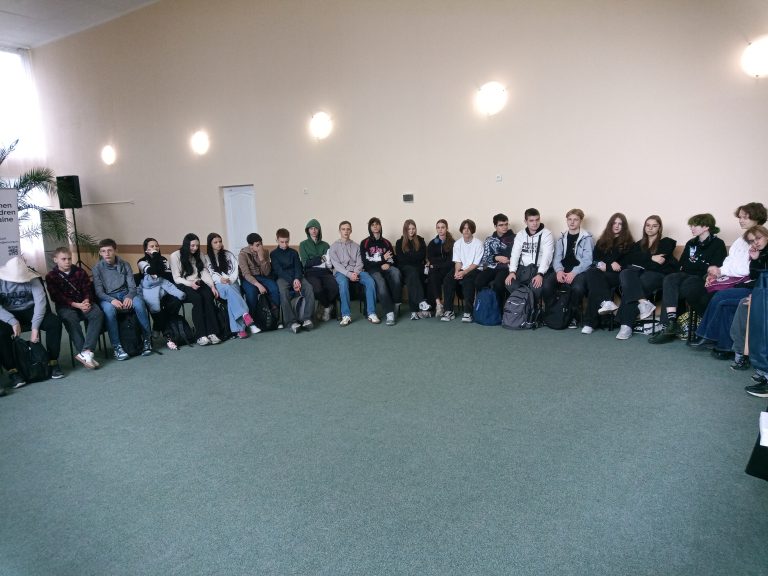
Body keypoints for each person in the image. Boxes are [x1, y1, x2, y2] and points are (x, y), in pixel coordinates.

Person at [690, 203, 768, 353]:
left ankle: (708, 336)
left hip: (746, 283)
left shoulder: (761, 241)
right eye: (740, 217)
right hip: (736, 280)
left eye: (745, 217)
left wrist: (728, 271)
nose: (741, 220)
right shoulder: (741, 240)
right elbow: (730, 261)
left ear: (757, 217)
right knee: (698, 291)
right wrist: (718, 272)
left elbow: (746, 271)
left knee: (719, 296)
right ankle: (710, 337)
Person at [648, 213, 727, 344]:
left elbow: (716, 267)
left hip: (702, 278)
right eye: (691, 225)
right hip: (686, 274)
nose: (692, 228)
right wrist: (696, 265)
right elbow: (682, 264)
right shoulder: (691, 243)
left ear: (706, 227)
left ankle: (668, 326)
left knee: (685, 284)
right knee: (670, 278)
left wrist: (698, 265)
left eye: (695, 225)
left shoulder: (717, 243)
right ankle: (671, 324)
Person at [0, 256, 65, 387]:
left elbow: (40, 303)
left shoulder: (33, 278)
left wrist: (35, 327)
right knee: (1, 332)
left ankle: (52, 362)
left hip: (31, 310)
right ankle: (13, 371)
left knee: (54, 323)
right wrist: (12, 321)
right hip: (8, 313)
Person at [613, 215, 677, 340]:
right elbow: (630, 260)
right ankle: (643, 302)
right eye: (648, 225)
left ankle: (625, 325)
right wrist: (651, 258)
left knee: (634, 285)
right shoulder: (638, 244)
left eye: (654, 226)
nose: (650, 228)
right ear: (644, 227)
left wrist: (643, 260)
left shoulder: (667, 242)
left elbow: (658, 264)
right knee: (625, 273)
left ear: (659, 228)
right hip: (640, 274)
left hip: (658, 275)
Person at [92, 238, 153, 359]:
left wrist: (129, 296)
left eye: (109, 250)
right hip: (108, 297)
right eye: (103, 251)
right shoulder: (97, 268)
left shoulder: (125, 264)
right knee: (109, 311)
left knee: (140, 305)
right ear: (100, 253)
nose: (107, 253)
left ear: (115, 251)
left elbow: (132, 286)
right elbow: (99, 292)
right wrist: (112, 300)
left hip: (126, 293)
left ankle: (147, 339)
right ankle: (117, 347)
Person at [46, 246, 103, 369]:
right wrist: (76, 305)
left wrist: (86, 301)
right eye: (63, 259)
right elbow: (57, 297)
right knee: (71, 319)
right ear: (55, 260)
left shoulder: (80, 271)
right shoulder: (51, 276)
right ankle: (85, 354)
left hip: (83, 303)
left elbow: (87, 289)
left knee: (96, 313)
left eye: (69, 259)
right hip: (66, 307)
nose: (67, 261)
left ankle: (86, 351)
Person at [580, 213, 633, 335]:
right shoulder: (602, 241)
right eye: (614, 223)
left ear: (624, 226)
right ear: (610, 224)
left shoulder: (629, 243)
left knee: (594, 282)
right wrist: (609, 264)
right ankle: (606, 302)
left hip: (617, 276)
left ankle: (590, 323)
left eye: (620, 224)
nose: (617, 226)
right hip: (600, 274)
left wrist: (607, 265)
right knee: (592, 273)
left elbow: (625, 265)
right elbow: (595, 260)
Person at [170, 233, 222, 346]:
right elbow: (176, 278)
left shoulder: (200, 254)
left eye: (197, 245)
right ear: (186, 245)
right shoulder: (175, 256)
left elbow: (203, 271)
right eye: (192, 245)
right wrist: (190, 284)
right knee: (197, 299)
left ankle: (212, 332)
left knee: (208, 296)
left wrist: (212, 286)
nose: (195, 248)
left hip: (198, 282)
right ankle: (200, 335)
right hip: (184, 284)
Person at [544, 208, 593, 327]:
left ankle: (573, 316)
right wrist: (559, 271)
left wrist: (574, 273)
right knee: (547, 286)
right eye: (569, 219)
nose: (572, 222)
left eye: (575, 219)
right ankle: (553, 313)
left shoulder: (587, 237)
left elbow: (588, 260)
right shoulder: (562, 238)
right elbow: (557, 258)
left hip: (579, 270)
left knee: (578, 288)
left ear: (580, 221)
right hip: (563, 269)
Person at [204, 233, 258, 339]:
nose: (219, 244)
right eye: (215, 242)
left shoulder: (228, 254)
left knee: (231, 298)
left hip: (232, 282)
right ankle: (244, 315)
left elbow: (235, 269)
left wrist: (230, 280)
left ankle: (239, 329)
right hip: (219, 285)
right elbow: (209, 272)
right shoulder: (206, 258)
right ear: (210, 244)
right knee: (230, 291)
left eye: (220, 241)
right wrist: (220, 279)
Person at [137, 238, 186, 349]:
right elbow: (152, 271)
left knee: (176, 300)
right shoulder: (141, 262)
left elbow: (168, 276)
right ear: (146, 249)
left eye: (157, 246)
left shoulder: (163, 259)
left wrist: (158, 270)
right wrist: (155, 257)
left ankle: (157, 326)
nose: (155, 248)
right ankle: (169, 335)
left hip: (164, 287)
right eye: (152, 246)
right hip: (150, 290)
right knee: (154, 305)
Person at [504, 208, 555, 313]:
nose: (535, 223)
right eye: (531, 220)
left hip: (540, 269)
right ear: (525, 221)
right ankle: (521, 310)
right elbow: (515, 254)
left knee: (536, 287)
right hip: (523, 269)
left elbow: (547, 256)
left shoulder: (547, 234)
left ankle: (532, 312)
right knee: (510, 283)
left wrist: (540, 274)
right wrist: (512, 271)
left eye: (537, 220)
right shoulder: (520, 235)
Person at [329, 220, 378, 326]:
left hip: (356, 271)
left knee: (370, 281)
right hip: (341, 272)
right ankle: (346, 315)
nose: (346, 231)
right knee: (343, 283)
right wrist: (349, 274)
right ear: (339, 231)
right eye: (343, 229)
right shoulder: (333, 246)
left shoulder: (356, 246)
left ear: (351, 231)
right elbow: (336, 265)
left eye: (348, 229)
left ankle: (371, 313)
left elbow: (360, 262)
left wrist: (355, 273)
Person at [270, 228, 316, 333]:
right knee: (283, 291)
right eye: (282, 242)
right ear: (277, 240)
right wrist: (293, 281)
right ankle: (291, 322)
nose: (284, 244)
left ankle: (307, 318)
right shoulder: (273, 254)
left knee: (309, 288)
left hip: (296, 277)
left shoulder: (294, 252)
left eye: (287, 241)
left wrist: (297, 279)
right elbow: (279, 271)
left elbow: (298, 267)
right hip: (283, 278)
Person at [361, 217, 402, 326]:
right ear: (370, 227)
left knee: (396, 272)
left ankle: (396, 303)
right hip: (373, 270)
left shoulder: (386, 242)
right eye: (372, 224)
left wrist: (388, 264)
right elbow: (366, 263)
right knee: (380, 281)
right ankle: (389, 313)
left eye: (377, 224)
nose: (375, 226)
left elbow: (393, 260)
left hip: (386, 267)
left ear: (380, 226)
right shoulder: (365, 243)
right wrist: (382, 259)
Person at [442, 219, 484, 322]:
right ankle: (449, 311)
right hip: (461, 268)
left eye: (469, 228)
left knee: (468, 280)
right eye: (464, 228)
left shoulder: (478, 244)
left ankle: (468, 313)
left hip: (475, 269)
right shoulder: (457, 243)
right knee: (448, 279)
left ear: (472, 230)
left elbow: (475, 264)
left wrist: (464, 272)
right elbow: (458, 261)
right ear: (461, 230)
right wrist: (457, 272)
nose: (466, 230)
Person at [475, 213, 515, 313]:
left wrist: (508, 260)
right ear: (495, 226)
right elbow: (485, 258)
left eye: (506, 224)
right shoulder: (489, 240)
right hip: (492, 267)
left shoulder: (514, 238)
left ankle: (500, 311)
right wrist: (496, 257)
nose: (504, 227)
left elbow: (518, 256)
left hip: (506, 268)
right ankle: (484, 307)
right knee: (479, 281)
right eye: (501, 225)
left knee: (498, 284)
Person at [299, 218, 338, 322]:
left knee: (334, 286)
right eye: (311, 228)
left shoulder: (325, 245)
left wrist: (314, 260)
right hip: (311, 273)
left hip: (325, 272)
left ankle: (322, 305)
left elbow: (329, 262)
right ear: (308, 230)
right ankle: (327, 306)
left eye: (316, 228)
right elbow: (305, 263)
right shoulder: (303, 245)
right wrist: (320, 259)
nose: (313, 230)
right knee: (317, 289)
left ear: (319, 230)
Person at [238, 233, 280, 320]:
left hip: (262, 277)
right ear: (250, 246)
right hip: (248, 279)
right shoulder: (242, 254)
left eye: (261, 244)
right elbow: (246, 274)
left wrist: (262, 259)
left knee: (274, 288)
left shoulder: (265, 252)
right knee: (252, 292)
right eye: (257, 245)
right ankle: (252, 319)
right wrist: (258, 285)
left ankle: (275, 316)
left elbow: (267, 273)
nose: (260, 247)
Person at [395, 219, 431, 320]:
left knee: (414, 275)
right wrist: (414, 256)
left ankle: (414, 311)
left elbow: (421, 256)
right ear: (405, 230)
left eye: (413, 228)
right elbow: (401, 259)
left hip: (418, 268)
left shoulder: (420, 240)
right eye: (409, 229)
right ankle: (421, 302)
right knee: (412, 273)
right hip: (404, 269)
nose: (411, 231)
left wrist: (409, 255)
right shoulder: (399, 242)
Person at [426, 219, 455, 317]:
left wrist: (436, 263)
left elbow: (451, 261)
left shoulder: (452, 243)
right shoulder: (432, 243)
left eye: (443, 227)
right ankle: (438, 304)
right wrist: (441, 261)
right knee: (432, 273)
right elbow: (431, 259)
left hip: (448, 270)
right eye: (438, 228)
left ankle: (441, 305)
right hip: (437, 271)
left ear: (447, 228)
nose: (440, 230)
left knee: (433, 270)